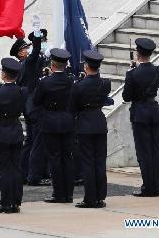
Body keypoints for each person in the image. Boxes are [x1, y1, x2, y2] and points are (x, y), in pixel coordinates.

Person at [69, 50, 111, 208]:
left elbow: (72, 108)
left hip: (85, 124)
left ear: (86, 66)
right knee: (99, 161)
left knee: (87, 162)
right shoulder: (105, 83)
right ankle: (100, 196)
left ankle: (90, 198)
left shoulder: (79, 86)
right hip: (99, 123)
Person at [122, 38, 159, 198]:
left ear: (138, 54)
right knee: (155, 150)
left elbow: (126, 96)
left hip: (139, 113)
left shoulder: (133, 74)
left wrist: (131, 73)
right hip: (153, 111)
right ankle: (156, 186)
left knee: (144, 152)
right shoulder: (158, 71)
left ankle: (148, 187)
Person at [33, 48, 75, 203]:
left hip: (50, 123)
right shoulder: (71, 80)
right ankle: (69, 193)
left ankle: (58, 193)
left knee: (54, 159)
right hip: (67, 121)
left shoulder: (45, 83)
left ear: (52, 64)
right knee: (67, 158)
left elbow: (36, 101)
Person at [0, 58, 27, 214]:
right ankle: (16, 201)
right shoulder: (22, 91)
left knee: (4, 169)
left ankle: (6, 202)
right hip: (15, 130)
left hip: (1, 131)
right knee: (16, 168)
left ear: (3, 74)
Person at [16, 27, 50, 186]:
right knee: (38, 141)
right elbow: (36, 52)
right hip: (35, 107)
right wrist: (37, 37)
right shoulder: (27, 62)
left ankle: (24, 173)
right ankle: (35, 175)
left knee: (30, 141)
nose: (28, 50)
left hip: (29, 106)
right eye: (26, 49)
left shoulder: (26, 64)